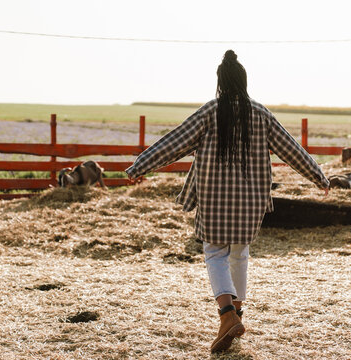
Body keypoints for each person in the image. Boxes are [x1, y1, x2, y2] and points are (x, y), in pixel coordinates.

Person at [125, 50, 330, 353]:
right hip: (251, 201)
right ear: (244, 82)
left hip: (215, 198)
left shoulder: (209, 112)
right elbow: (291, 149)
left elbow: (174, 142)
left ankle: (226, 315)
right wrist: (319, 177)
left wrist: (139, 165)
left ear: (220, 82)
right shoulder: (261, 114)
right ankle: (236, 315)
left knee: (215, 254)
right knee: (239, 255)